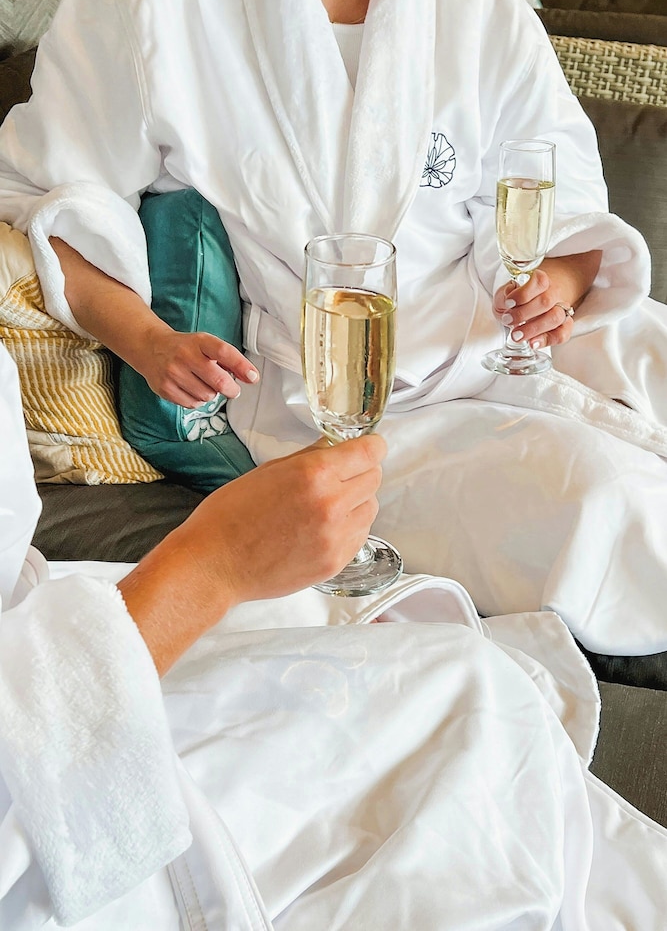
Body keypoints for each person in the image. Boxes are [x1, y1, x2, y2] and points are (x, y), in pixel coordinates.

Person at [1, 0, 667, 659]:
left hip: (516, 338)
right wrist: (148, 340)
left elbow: (559, 197)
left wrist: (553, 286)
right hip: (339, 407)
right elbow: (49, 200)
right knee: (611, 504)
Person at [1, 340, 666, 930]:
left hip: (58, 654)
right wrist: (209, 568)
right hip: (54, 780)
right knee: (470, 691)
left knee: (459, 675)